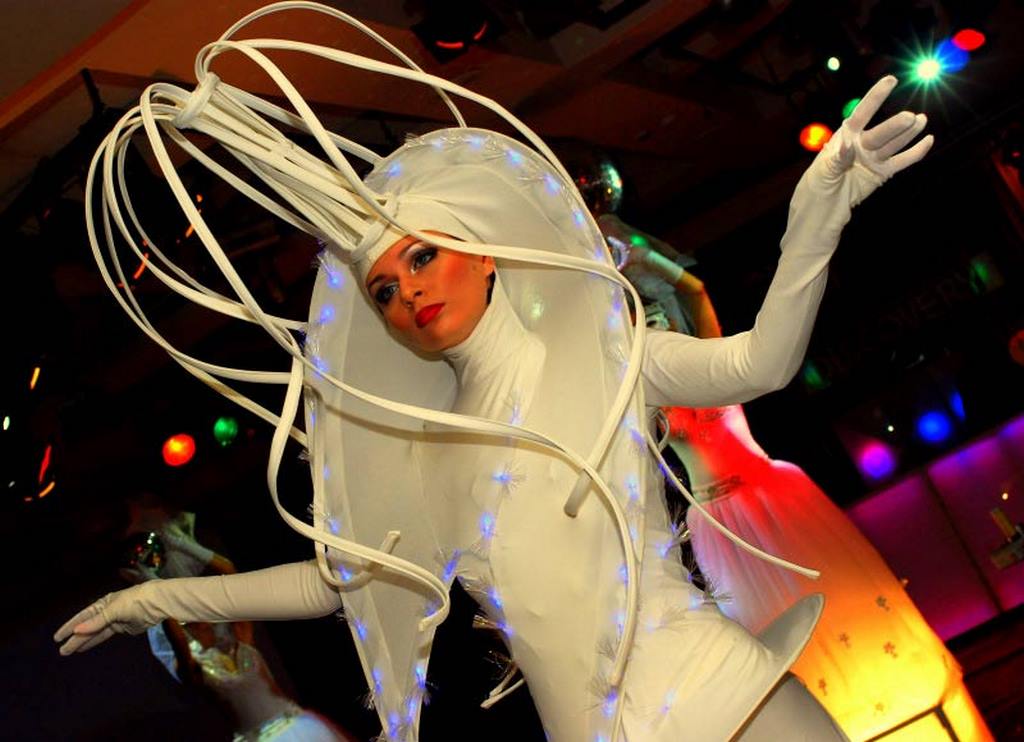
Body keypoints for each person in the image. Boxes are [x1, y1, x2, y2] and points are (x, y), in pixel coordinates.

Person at [54, 3, 934, 740]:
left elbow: (759, 363)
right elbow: (330, 584)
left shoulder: (605, 354)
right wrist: (150, 602)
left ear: (481, 255)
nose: (408, 292)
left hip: (728, 692)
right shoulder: (432, 457)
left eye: (423, 258)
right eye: (385, 290)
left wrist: (815, 221)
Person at [605, 217, 993, 741]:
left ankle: (904, 706)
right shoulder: (647, 397)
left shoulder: (715, 363)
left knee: (840, 598)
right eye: (646, 327)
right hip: (724, 526)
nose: (659, 329)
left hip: (773, 492)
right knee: (774, 632)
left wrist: (646, 259)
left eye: (659, 319)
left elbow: (694, 291)